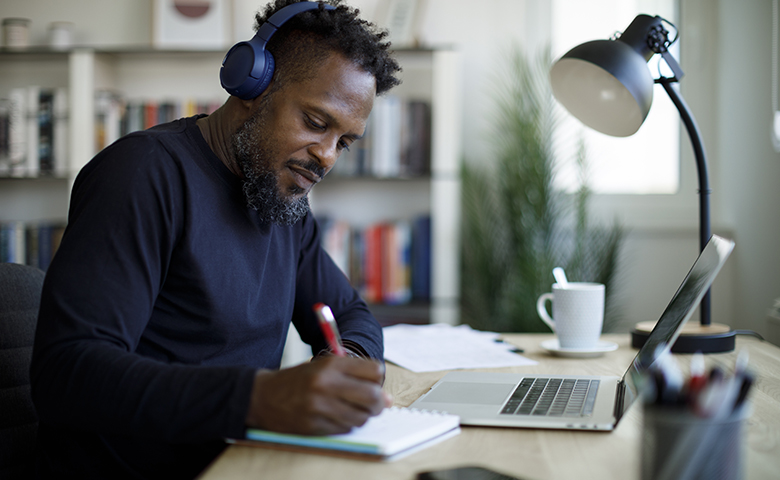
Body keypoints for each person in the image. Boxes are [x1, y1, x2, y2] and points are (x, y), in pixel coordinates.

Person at [29, 1, 402, 478]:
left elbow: (350, 314)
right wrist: (258, 398)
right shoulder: (142, 176)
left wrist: (343, 363)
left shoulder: (281, 200)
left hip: (238, 464)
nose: (327, 156)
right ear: (253, 83)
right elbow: (67, 375)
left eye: (344, 142)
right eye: (315, 122)